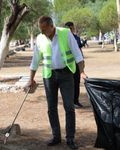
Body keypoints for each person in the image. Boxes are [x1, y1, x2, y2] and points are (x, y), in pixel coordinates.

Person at [25, 16, 87, 149]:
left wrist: (82, 72)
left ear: (51, 26)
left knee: (69, 107)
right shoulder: (40, 38)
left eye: (44, 29)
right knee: (51, 108)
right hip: (49, 75)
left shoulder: (65, 33)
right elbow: (35, 60)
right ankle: (56, 136)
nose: (42, 32)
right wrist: (31, 78)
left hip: (66, 74)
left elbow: (77, 54)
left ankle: (70, 138)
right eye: (40, 29)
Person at [65, 21, 84, 108]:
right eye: (70, 28)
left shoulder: (76, 38)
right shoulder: (64, 38)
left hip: (76, 63)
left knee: (77, 82)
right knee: (69, 84)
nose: (72, 29)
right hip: (68, 64)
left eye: (72, 28)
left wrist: (82, 61)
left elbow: (79, 50)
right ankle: (70, 102)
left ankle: (76, 101)